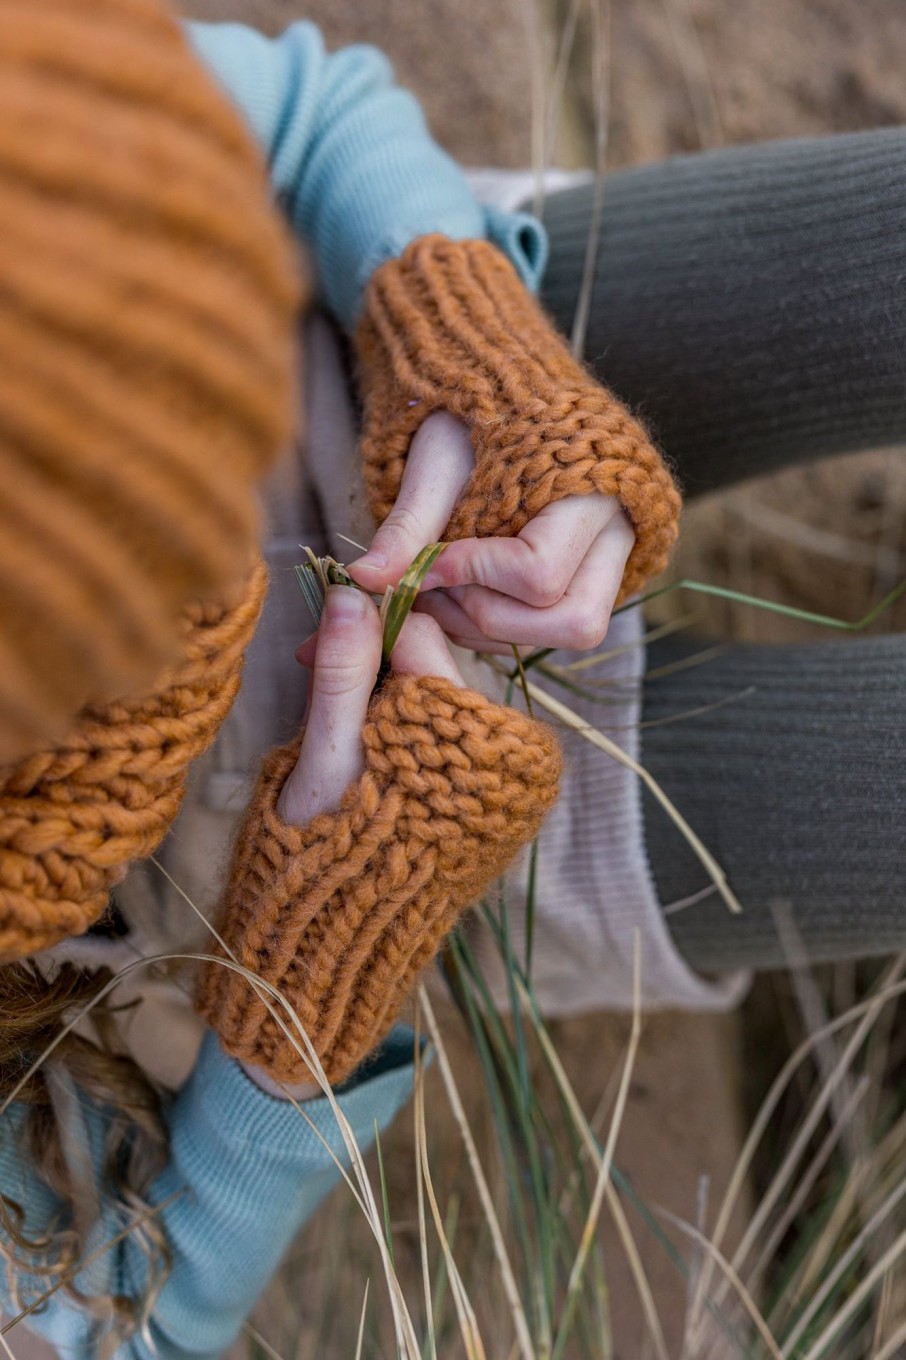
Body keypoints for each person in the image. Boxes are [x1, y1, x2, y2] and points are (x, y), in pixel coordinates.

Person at [0, 2, 677, 1355]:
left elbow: (297, 112)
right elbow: (115, 1332)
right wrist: (315, 965)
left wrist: (465, 338)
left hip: (371, 338)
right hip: (409, 843)